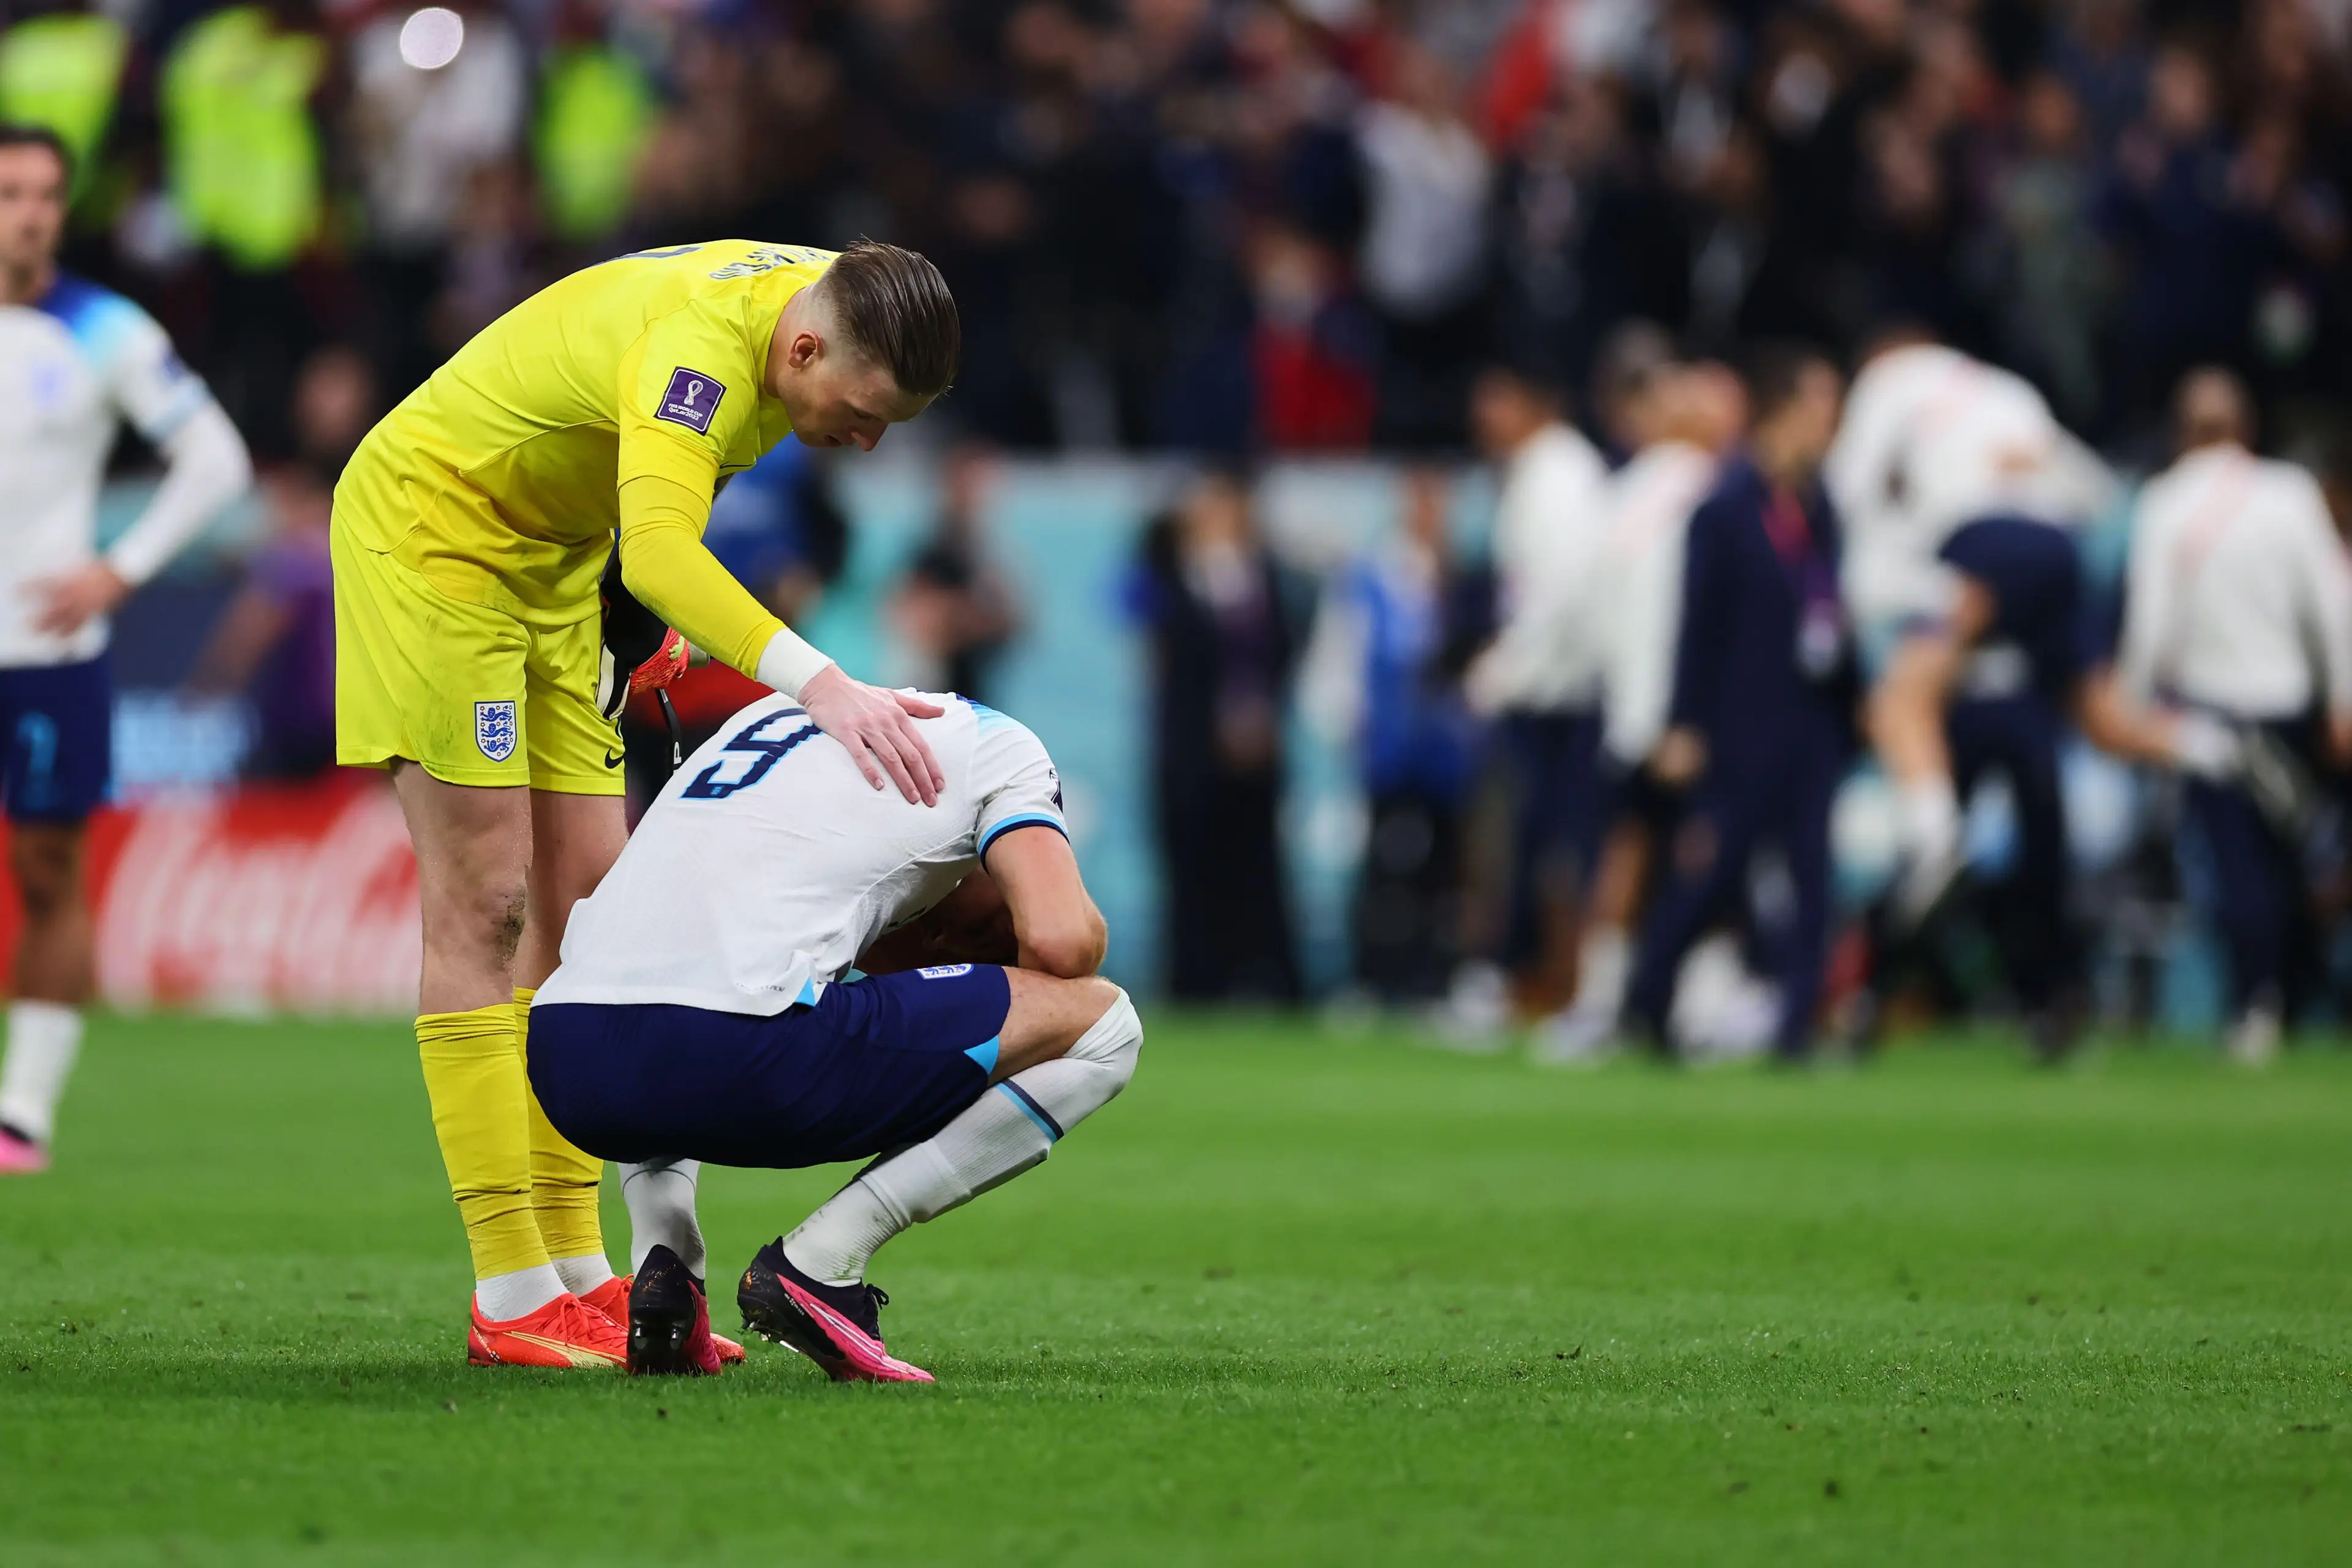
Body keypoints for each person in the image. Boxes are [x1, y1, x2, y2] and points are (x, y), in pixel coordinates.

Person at [332, 237, 960, 1368]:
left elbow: (641, 520)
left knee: (589, 922)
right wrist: (825, 687)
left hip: (560, 562)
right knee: (485, 906)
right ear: (805, 346)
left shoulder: (825, 314)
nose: (866, 443)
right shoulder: (709, 353)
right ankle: (509, 1287)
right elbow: (667, 548)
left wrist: (635, 625)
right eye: (863, 413)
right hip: (438, 537)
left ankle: (577, 1269)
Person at [526, 691, 1135, 1382]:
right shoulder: (1005, 747)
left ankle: (665, 1270)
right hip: (727, 1053)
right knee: (1107, 1024)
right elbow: (1058, 940)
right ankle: (822, 1263)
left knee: (699, 968)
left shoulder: (762, 719)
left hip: (563, 1057)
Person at [0, 125, 253, 1174]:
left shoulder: (102, 329)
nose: (28, 212)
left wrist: (123, 566)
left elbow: (216, 459)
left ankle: (23, 1115)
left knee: (48, 872)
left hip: (48, 651)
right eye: (10, 191)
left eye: (46, 195)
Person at [2109, 369, 2352, 1063]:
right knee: (2293, 862)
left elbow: (2150, 622)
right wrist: (2342, 700)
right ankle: (2292, 998)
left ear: (2181, 431)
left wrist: (2129, 705)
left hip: (2212, 716)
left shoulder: (2165, 502)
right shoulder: (2291, 493)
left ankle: (2256, 1005)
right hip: (2289, 709)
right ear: (2246, 427)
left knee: (2235, 865)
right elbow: (2330, 607)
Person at [1621, 346, 1856, 1060]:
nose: (1831, 425)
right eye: (1821, 409)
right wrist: (1684, 724)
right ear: (1782, 410)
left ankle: (1796, 1026)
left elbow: (1830, 611)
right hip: (1737, 723)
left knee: (1813, 873)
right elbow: (1697, 626)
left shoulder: (1821, 508)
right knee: (1713, 870)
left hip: (1810, 719)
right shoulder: (1724, 510)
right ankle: (1648, 999)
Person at [1536, 360, 1743, 1061]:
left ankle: (1617, 1002)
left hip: (1637, 703)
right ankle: (1691, 1004)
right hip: (1684, 707)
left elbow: (1585, 600)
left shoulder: (1633, 488)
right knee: (1691, 851)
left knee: (1640, 852)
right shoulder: (1710, 488)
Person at [1460, 364, 1611, 1021]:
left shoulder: (1561, 475)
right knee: (1535, 844)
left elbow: (1558, 592)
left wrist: (1508, 668)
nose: (1484, 417)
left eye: (1497, 399)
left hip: (1561, 699)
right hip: (1547, 693)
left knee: (1548, 846)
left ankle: (1542, 979)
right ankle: (1526, 976)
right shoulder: (1537, 470)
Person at [1129, 470, 1302, 1003]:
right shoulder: (1169, 575)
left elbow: (1279, 655)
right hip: (1191, 754)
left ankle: (1263, 980)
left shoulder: (1264, 575)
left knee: (1257, 869)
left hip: (1256, 751)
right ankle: (1195, 983)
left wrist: (1258, 719)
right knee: (1191, 871)